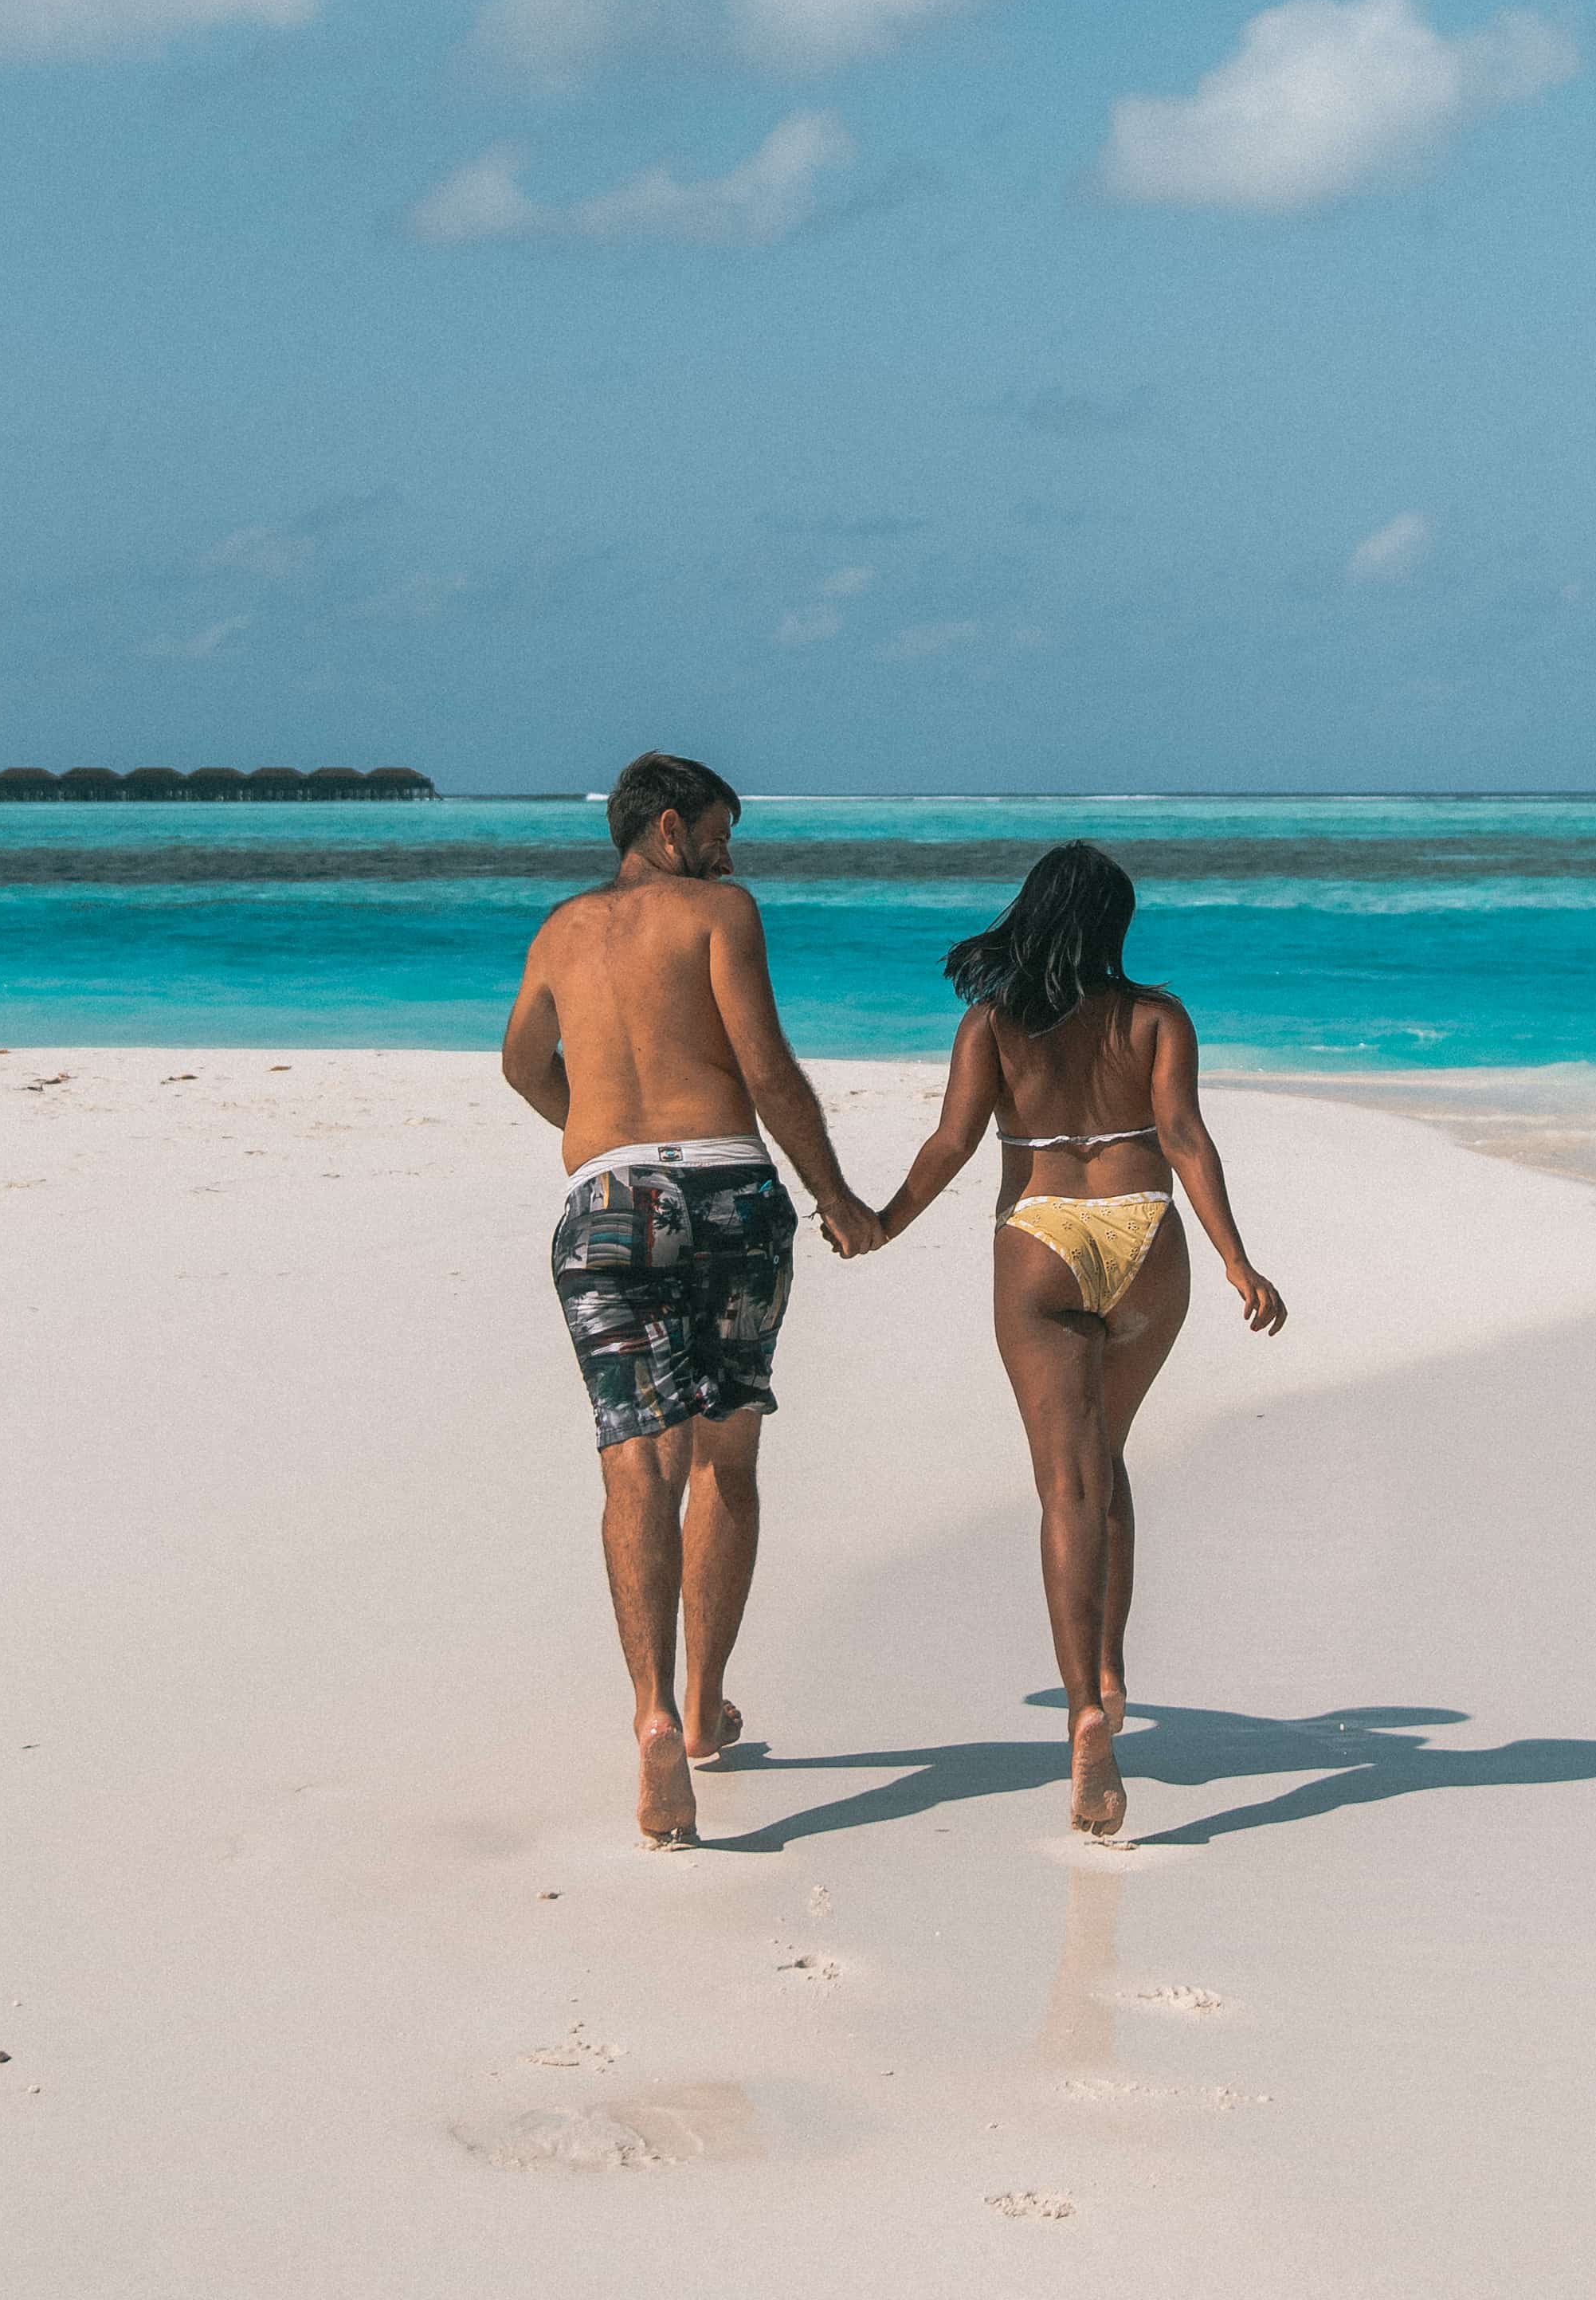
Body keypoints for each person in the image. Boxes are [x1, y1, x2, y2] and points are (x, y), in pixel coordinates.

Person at [865, 839, 1284, 1838]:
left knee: (1067, 1484)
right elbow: (1184, 1137)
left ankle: (1082, 1712)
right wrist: (1235, 1260)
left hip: (1043, 1232)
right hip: (1146, 1234)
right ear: (1113, 925)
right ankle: (1108, 1664)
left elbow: (952, 1144)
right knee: (1106, 1455)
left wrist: (882, 1221)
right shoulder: (1155, 1017)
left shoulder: (991, 1024)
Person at [502, 752, 879, 1849]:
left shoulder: (560, 931)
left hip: (609, 1200)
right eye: (720, 829)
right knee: (727, 1456)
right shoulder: (719, 911)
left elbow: (524, 1065)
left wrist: (599, 1144)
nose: (731, 851)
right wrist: (835, 1195)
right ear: (670, 830)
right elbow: (763, 1068)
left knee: (637, 1460)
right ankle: (710, 1706)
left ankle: (655, 1712)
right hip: (728, 1190)